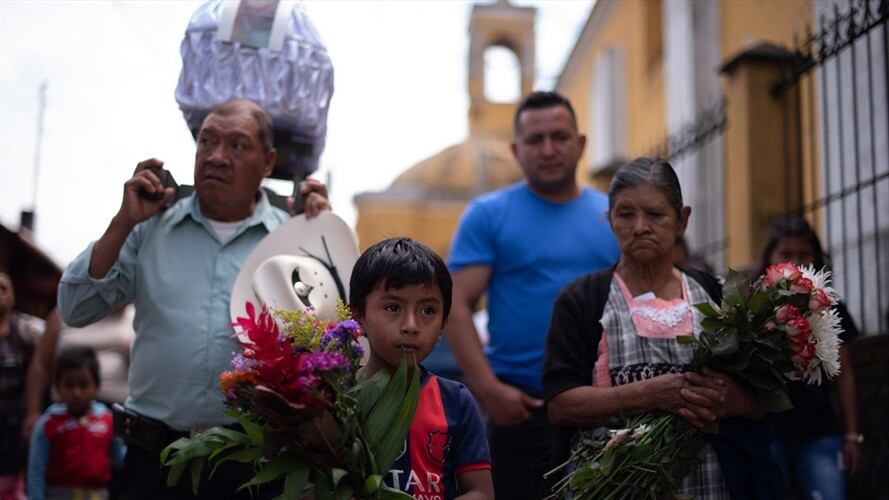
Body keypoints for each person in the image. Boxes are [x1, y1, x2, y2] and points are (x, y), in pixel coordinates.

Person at [57, 99, 330, 500]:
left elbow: (326, 339)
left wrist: (323, 233)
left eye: (237, 145)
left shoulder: (290, 238)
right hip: (154, 462)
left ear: (268, 163)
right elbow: (75, 308)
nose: (216, 156)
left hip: (252, 464)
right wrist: (123, 221)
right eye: (207, 141)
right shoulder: (148, 225)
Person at [543, 157, 783, 498]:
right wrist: (649, 394)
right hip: (613, 488)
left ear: (682, 220)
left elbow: (764, 398)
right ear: (610, 220)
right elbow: (561, 405)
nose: (640, 227)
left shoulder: (719, 295)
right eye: (626, 214)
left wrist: (733, 400)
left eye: (655, 214)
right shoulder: (582, 300)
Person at [446, 90, 620, 498]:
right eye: (535, 140)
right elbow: (454, 305)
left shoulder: (614, 215)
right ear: (516, 150)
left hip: (608, 405)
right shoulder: (488, 215)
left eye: (560, 137)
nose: (548, 150)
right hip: (521, 411)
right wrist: (489, 391)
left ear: (580, 144)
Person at [350, 237, 493, 500]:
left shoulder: (455, 401)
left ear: (443, 324)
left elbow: (480, 492)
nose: (411, 325)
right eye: (393, 307)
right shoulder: (338, 399)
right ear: (358, 315)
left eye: (427, 310)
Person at [759, 216, 861, 500]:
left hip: (819, 432)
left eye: (804, 254)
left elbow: (844, 373)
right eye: (786, 254)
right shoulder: (756, 307)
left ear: (816, 257)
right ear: (770, 258)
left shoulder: (831, 307)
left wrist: (852, 435)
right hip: (768, 431)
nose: (796, 263)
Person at [27, 347, 126, 500]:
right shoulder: (47, 424)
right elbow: (36, 473)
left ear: (97, 386)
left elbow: (121, 459)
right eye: (69, 385)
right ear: (57, 387)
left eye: (83, 385)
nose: (76, 393)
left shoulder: (108, 421)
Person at [0, 270, 45, 500]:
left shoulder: (30, 330)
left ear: (13, 296)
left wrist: (33, 413)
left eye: (3, 289)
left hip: (18, 424)